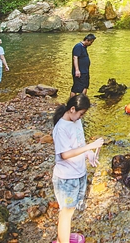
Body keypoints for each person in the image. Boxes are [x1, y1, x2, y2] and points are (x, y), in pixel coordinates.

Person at [51, 94, 104, 243]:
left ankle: (63, 237)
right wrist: (90, 146)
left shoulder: (76, 121)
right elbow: (64, 154)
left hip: (79, 173)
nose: (81, 117)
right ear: (72, 109)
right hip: (66, 177)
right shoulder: (61, 128)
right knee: (66, 213)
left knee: (71, 210)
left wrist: (89, 154)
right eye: (81, 114)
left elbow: (80, 144)